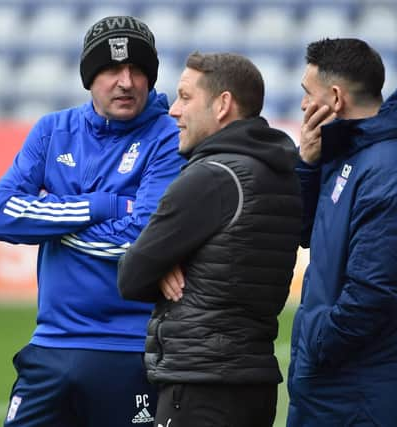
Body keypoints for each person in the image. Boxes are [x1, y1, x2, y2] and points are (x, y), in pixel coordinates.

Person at [0, 15, 185, 427]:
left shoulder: (168, 136)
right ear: (89, 77)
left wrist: (53, 219)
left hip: (130, 349)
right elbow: (4, 214)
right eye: (112, 69)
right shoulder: (52, 131)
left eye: (137, 71)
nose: (126, 81)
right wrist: (100, 206)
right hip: (51, 345)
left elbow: (141, 240)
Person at [117, 52, 302, 427]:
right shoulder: (278, 171)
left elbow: (131, 275)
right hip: (253, 384)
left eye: (185, 97)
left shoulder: (212, 176)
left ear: (222, 105)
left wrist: (162, 263)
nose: (172, 110)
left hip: (201, 385)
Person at [286, 38, 397, 426]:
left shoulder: (389, 169)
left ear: (335, 97)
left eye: (309, 94)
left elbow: (371, 295)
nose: (305, 105)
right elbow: (307, 231)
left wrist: (316, 342)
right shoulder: (357, 151)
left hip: (362, 396)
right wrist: (307, 163)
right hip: (344, 388)